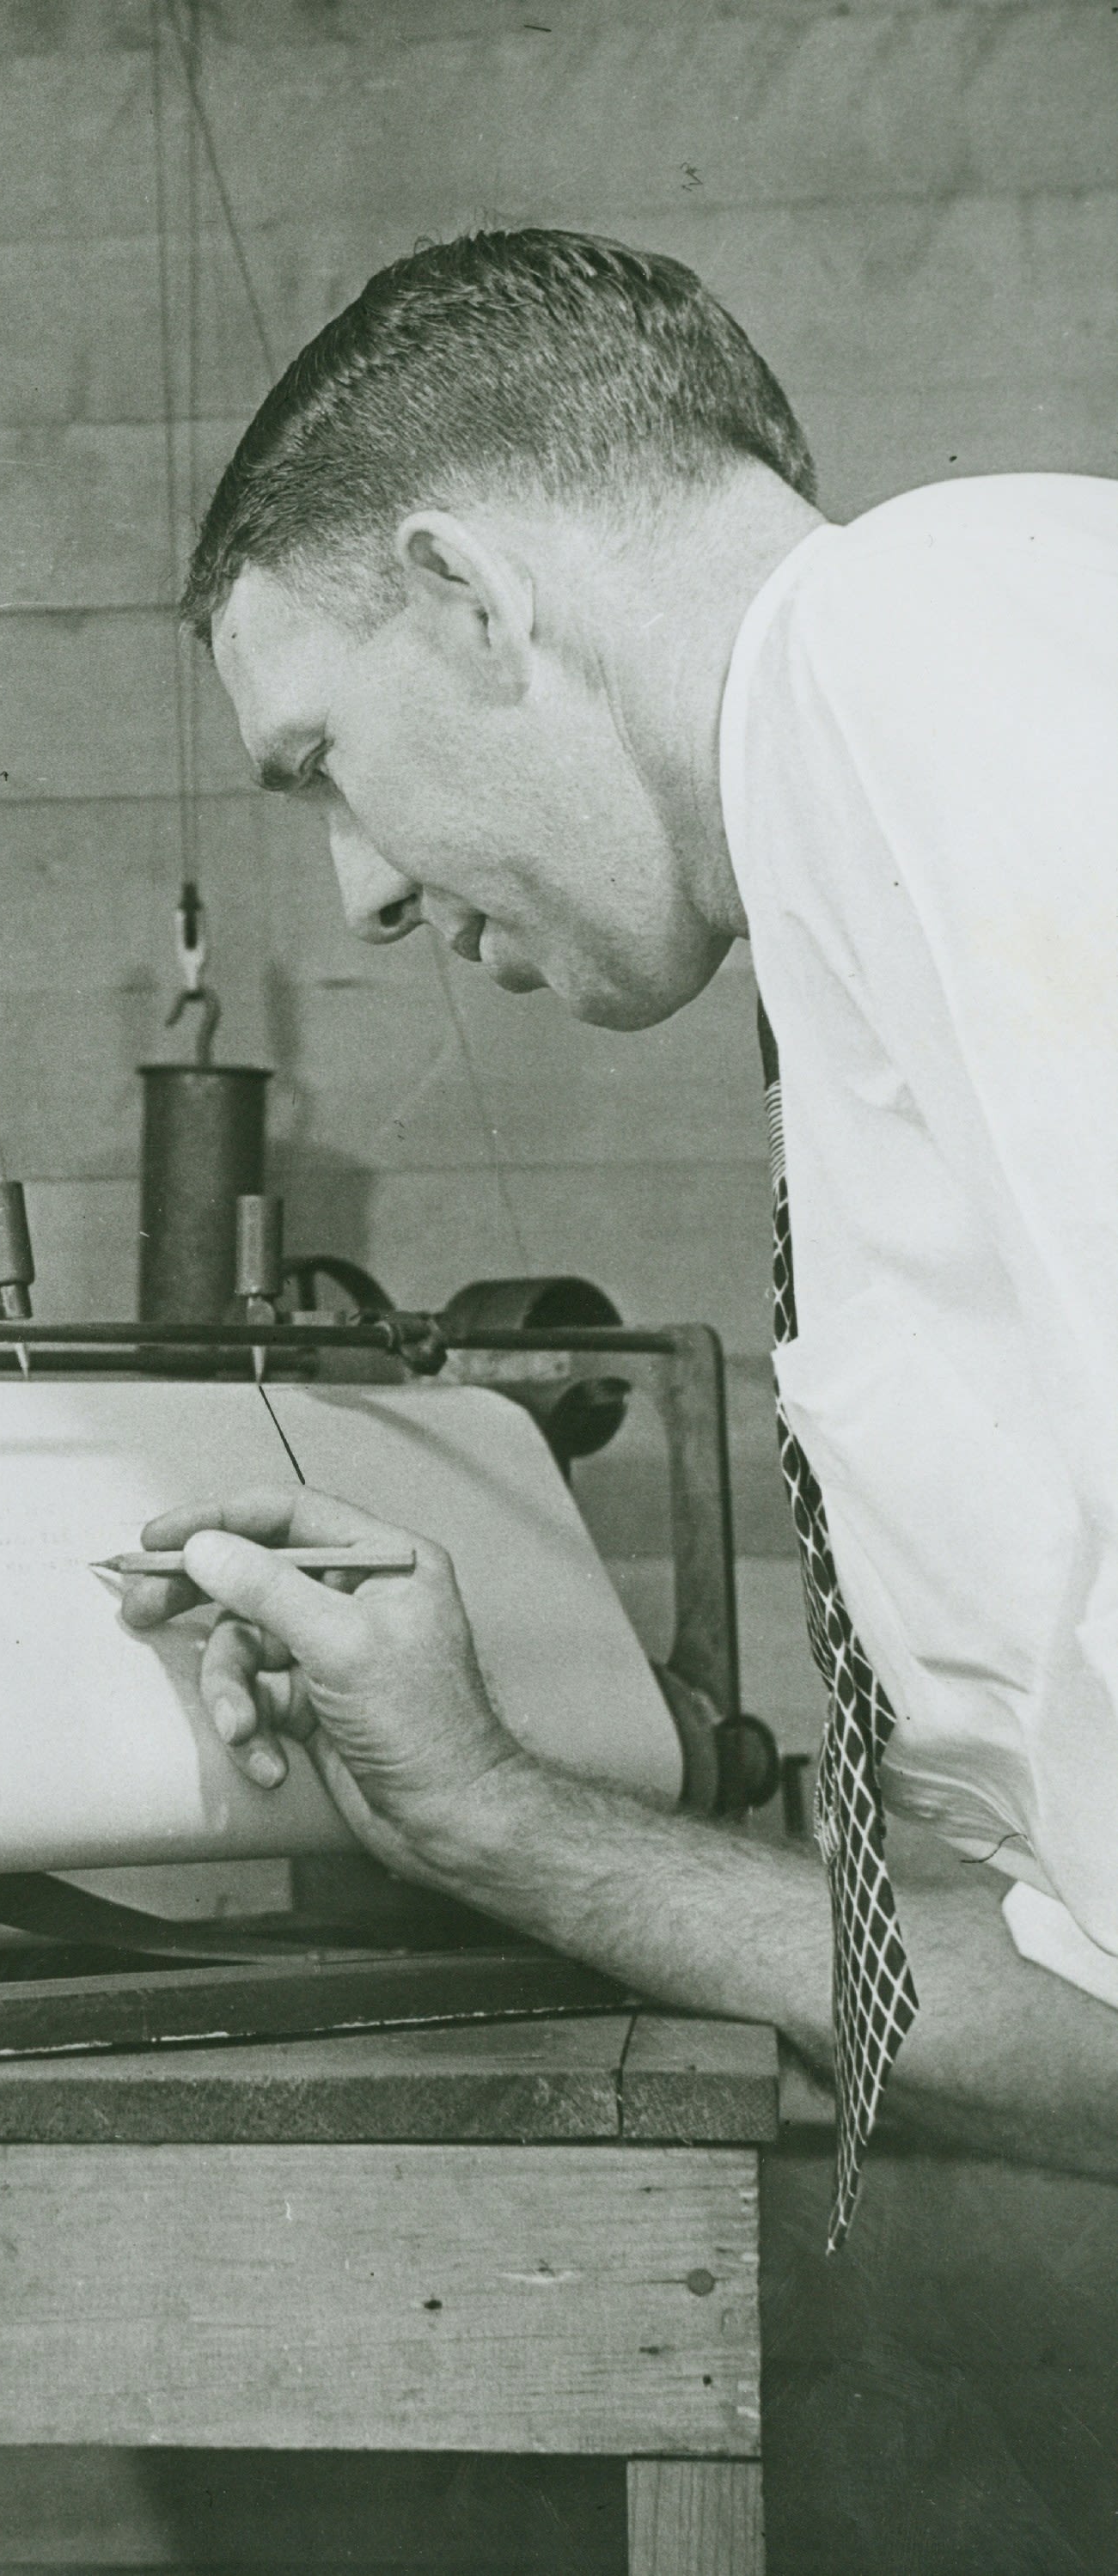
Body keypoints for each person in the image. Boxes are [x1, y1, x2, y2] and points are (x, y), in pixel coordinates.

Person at [122, 227, 1118, 2231]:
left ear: (470, 597)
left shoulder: (921, 642)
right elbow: (1090, 2025)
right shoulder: (875, 801)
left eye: (320, 764)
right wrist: (483, 1805)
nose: (362, 903)